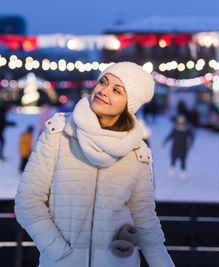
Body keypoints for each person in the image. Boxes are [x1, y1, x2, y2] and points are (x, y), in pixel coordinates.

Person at [15, 62, 174, 267]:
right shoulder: (58, 133)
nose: (104, 91)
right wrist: (58, 252)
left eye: (117, 90)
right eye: (103, 82)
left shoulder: (137, 152)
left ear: (129, 104)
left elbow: (145, 220)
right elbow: (28, 202)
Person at [163, 115, 194, 180]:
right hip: (175, 147)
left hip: (183, 147)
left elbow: (192, 137)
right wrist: (165, 141)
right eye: (180, 121)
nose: (181, 123)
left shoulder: (187, 129)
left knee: (183, 160)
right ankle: (172, 170)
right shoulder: (175, 129)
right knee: (173, 159)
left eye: (182, 122)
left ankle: (183, 173)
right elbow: (170, 136)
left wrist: (190, 144)